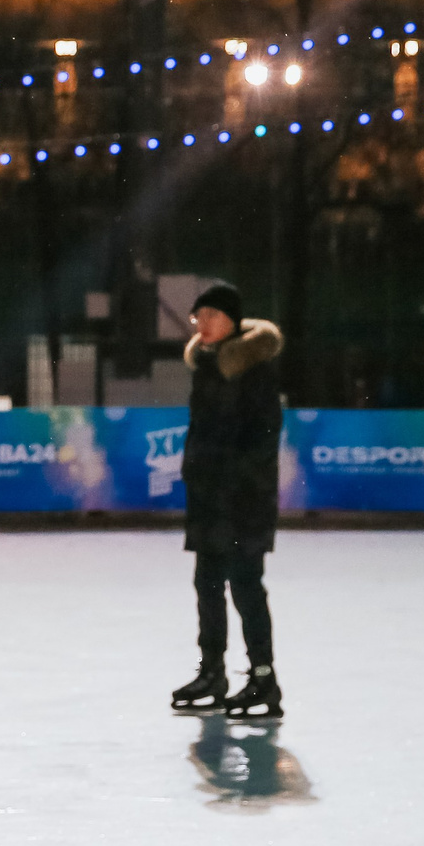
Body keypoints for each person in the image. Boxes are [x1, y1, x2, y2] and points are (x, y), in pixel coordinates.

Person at [169, 280, 287, 719]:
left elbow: (264, 436)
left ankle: (263, 679)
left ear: (233, 321)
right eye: (199, 316)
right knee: (207, 585)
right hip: (209, 499)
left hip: (243, 500)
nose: (202, 323)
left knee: (245, 587)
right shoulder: (206, 367)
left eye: (211, 315)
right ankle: (213, 671)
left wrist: (235, 480)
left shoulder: (253, 369)